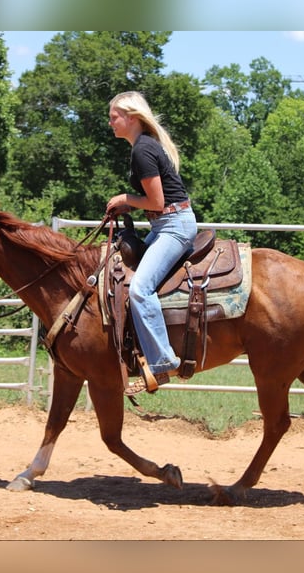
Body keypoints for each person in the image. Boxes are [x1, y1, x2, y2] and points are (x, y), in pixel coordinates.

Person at [106, 91, 197, 395]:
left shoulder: (142, 150)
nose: (110, 123)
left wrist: (124, 199)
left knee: (140, 289)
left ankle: (162, 361)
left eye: (114, 117)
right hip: (165, 225)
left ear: (131, 117)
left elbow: (156, 202)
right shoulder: (144, 146)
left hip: (173, 226)